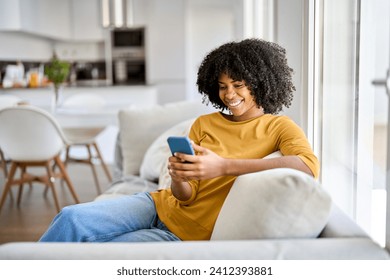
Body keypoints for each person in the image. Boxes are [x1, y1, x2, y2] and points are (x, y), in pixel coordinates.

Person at [39, 38, 319, 242]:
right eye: (222, 87)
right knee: (71, 218)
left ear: (260, 82)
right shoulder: (204, 123)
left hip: (185, 236)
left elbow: (308, 166)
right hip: (156, 204)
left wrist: (223, 167)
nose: (229, 95)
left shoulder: (280, 126)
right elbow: (185, 195)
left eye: (237, 85)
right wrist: (179, 175)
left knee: (109, 253)